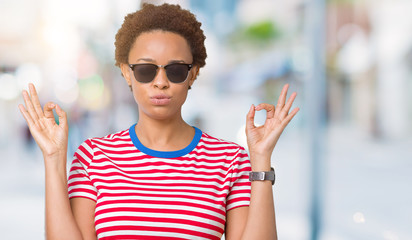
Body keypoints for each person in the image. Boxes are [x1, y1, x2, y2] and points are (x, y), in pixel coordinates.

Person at [18, 3, 299, 240]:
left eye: (176, 70)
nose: (161, 82)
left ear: (193, 74)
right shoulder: (93, 157)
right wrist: (54, 159)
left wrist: (261, 159)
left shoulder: (230, 161)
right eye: (145, 70)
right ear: (127, 73)